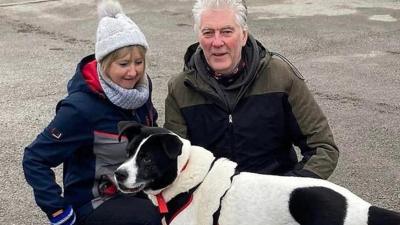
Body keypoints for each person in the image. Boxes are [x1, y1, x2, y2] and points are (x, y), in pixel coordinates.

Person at [164, 0, 339, 179]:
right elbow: (174, 159)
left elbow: (323, 148)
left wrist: (288, 190)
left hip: (274, 193)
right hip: (212, 199)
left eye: (226, 31)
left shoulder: (280, 76)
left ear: (243, 35)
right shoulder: (180, 89)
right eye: (208, 33)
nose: (217, 42)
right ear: (199, 37)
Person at [22, 1, 161, 224]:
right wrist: (58, 211)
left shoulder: (141, 92)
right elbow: (34, 159)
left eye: (139, 62)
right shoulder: (80, 109)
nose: (133, 71)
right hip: (96, 201)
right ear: (104, 64)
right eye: (123, 63)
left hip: (135, 185)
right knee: (146, 217)